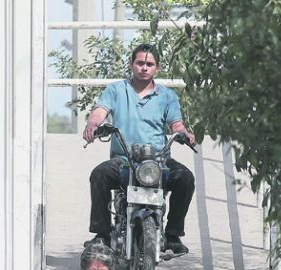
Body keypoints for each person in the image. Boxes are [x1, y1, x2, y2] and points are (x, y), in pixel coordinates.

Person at [83, 43, 196, 254]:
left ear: (157, 68)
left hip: (158, 160)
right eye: (140, 63)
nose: (144, 67)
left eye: (149, 64)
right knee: (99, 174)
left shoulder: (167, 96)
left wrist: (184, 133)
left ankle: (172, 235)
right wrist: (93, 124)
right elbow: (100, 111)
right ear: (131, 64)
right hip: (124, 159)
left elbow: (176, 124)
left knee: (185, 178)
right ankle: (102, 234)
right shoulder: (116, 89)